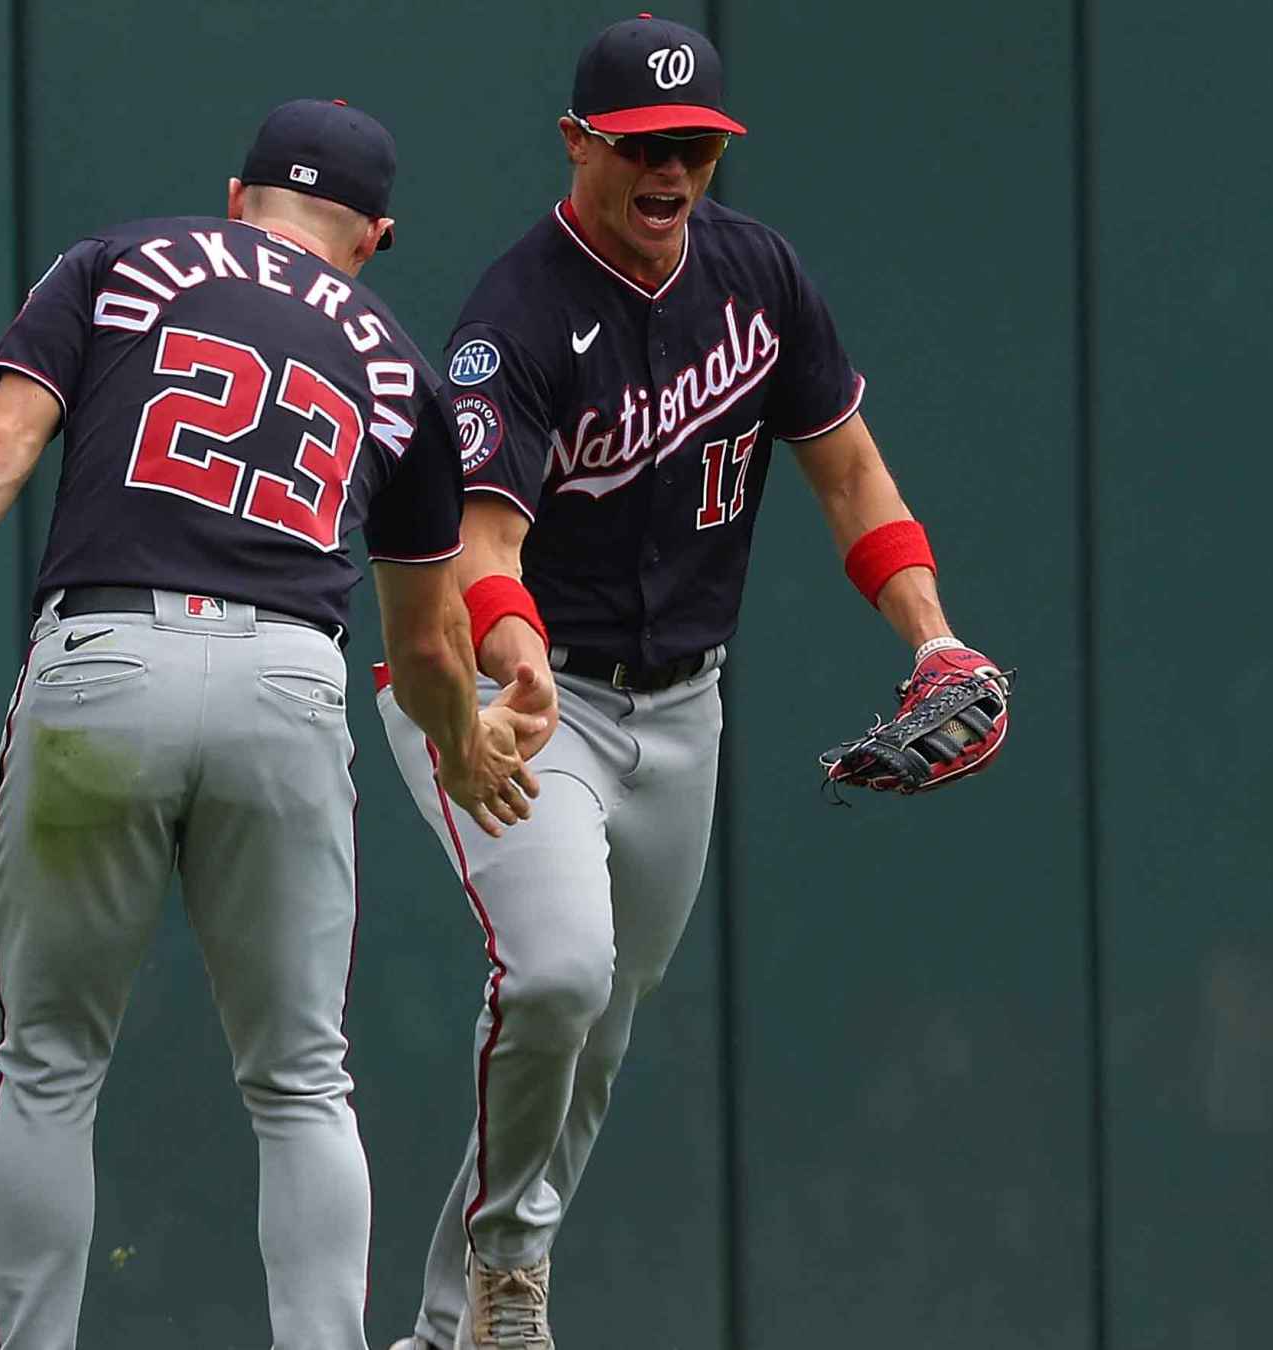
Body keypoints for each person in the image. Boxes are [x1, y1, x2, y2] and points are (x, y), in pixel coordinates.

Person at [0, 98, 548, 1350]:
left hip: (106, 665)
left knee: (49, 1067)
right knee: (303, 1083)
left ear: (235, 197)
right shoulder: (399, 363)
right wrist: (466, 743)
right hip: (286, 685)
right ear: (374, 236)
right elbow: (425, 650)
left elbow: (3, 439)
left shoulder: (121, 262)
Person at [376, 17, 1011, 1350]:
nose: (669, 171)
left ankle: (456, 1328)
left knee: (599, 1020)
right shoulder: (516, 318)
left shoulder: (758, 275)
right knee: (556, 973)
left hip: (684, 704)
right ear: (579, 144)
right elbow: (485, 549)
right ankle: (504, 1284)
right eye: (642, 145)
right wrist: (520, 665)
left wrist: (935, 637)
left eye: (695, 148)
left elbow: (849, 471)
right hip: (512, 691)